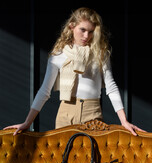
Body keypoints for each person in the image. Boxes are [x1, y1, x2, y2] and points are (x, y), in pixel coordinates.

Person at [4, 7, 144, 136]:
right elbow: (45, 91)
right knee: (64, 161)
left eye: (90, 31)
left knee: (92, 161)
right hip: (66, 112)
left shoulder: (100, 53)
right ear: (71, 26)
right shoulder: (58, 55)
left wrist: (124, 121)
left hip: (92, 112)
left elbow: (111, 87)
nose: (86, 36)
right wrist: (27, 122)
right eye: (82, 30)